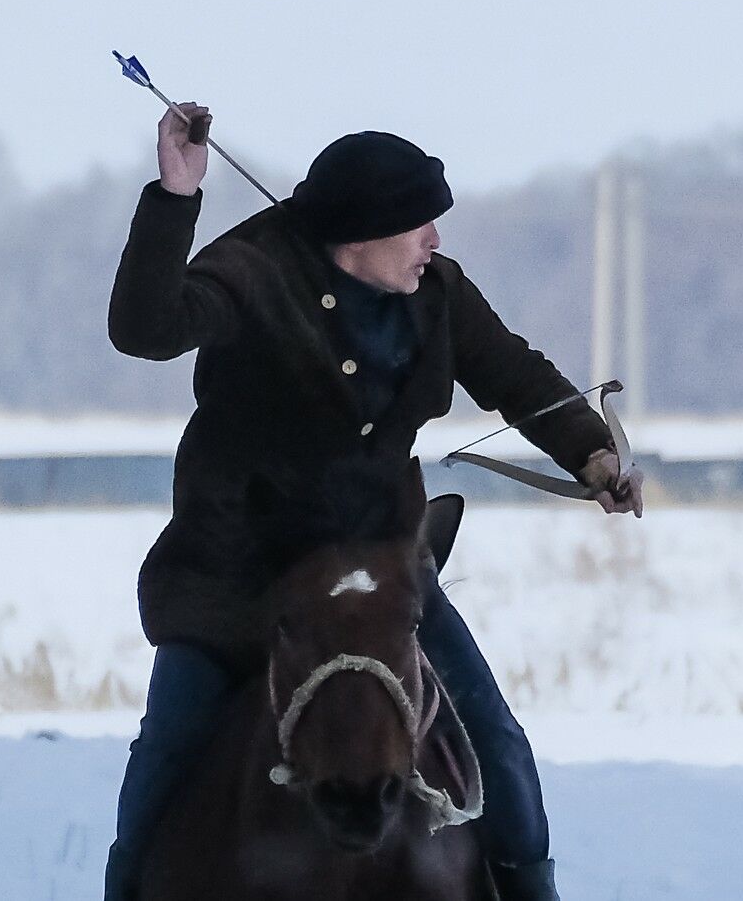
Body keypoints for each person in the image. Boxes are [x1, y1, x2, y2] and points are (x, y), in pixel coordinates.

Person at [102, 103, 645, 901]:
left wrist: (590, 451)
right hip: (235, 576)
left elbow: (514, 374)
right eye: (420, 225)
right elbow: (143, 328)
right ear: (361, 232)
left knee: (495, 736)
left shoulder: (437, 291)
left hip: (383, 571)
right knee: (167, 752)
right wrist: (176, 196)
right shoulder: (252, 271)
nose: (434, 242)